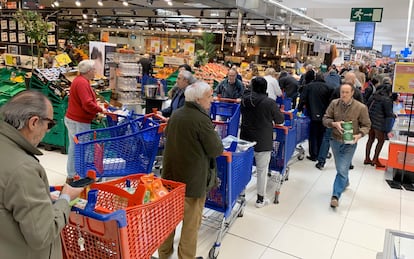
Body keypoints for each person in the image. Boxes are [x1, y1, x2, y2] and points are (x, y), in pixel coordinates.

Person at [0, 90, 84, 259]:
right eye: (50, 124)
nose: (47, 131)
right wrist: (65, 199)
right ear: (34, 122)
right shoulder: (23, 169)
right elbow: (42, 234)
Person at [158, 81, 223, 259]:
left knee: (168, 221)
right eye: (209, 96)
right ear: (198, 99)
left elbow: (167, 136)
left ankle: (163, 253)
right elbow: (216, 149)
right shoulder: (202, 120)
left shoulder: (176, 115)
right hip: (193, 183)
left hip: (170, 179)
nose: (212, 100)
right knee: (190, 225)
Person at [323, 83, 371, 208]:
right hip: (335, 140)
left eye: (346, 92)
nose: (343, 95)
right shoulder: (334, 104)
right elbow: (325, 119)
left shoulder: (361, 108)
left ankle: (335, 196)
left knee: (342, 168)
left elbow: (367, 125)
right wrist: (334, 124)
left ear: (352, 93)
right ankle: (345, 182)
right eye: (342, 92)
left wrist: (359, 135)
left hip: (350, 143)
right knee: (341, 168)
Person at [240, 77, 284, 208]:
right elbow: (280, 120)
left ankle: (241, 195)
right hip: (263, 140)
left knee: (243, 169)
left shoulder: (245, 100)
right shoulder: (269, 103)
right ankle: (260, 199)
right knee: (262, 170)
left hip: (245, 139)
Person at [65, 60, 106, 183]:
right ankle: (79, 175)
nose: (95, 72)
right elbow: (87, 103)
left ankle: (72, 175)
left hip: (73, 118)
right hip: (79, 121)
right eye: (94, 70)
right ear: (88, 71)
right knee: (81, 148)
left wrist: (96, 104)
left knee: (74, 147)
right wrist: (100, 109)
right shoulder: (82, 83)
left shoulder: (79, 80)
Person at [297, 72, 333, 161]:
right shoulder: (328, 87)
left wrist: (299, 108)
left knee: (313, 135)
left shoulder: (309, 86)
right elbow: (331, 101)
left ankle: (313, 155)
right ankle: (321, 153)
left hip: (311, 114)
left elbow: (302, 99)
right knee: (322, 135)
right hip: (324, 115)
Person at [364, 84, 395, 167]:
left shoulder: (374, 96)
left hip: (370, 120)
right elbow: (388, 113)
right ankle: (375, 159)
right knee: (381, 141)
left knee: (370, 139)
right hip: (380, 122)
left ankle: (367, 158)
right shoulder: (387, 99)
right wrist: (394, 115)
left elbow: (367, 106)